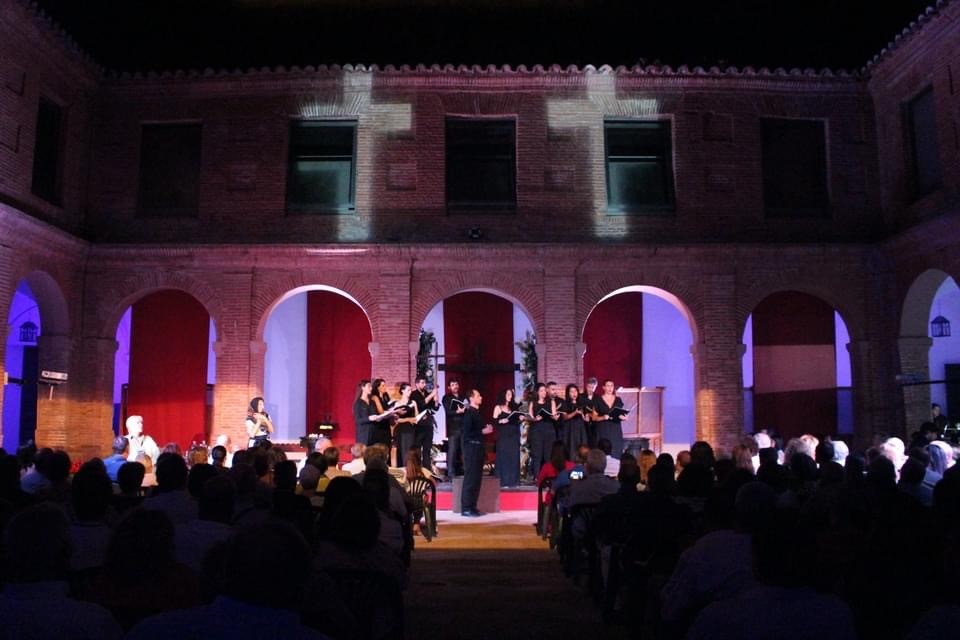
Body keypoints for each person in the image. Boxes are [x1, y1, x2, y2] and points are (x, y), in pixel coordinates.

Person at [461, 389, 494, 517]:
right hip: (471, 448)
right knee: (470, 478)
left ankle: (472, 506)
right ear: (471, 398)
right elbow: (467, 434)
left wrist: (485, 430)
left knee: (476, 479)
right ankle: (466, 507)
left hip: (478, 448)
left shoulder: (477, 413)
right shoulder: (469, 413)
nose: (481, 397)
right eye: (478, 395)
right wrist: (483, 431)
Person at [493, 388, 522, 487]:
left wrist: (520, 418)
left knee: (513, 458)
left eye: (511, 395)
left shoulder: (513, 408)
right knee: (504, 458)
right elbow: (495, 422)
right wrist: (501, 421)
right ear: (503, 395)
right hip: (504, 436)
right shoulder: (498, 407)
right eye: (508, 394)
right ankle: (504, 481)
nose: (510, 396)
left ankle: (514, 481)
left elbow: (516, 420)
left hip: (513, 435)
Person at [410, 376, 439, 474]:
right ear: (417, 384)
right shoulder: (413, 394)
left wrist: (436, 400)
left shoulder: (427, 393)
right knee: (417, 450)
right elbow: (421, 404)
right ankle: (416, 471)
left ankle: (427, 472)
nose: (424, 385)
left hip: (428, 425)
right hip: (419, 426)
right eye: (422, 382)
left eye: (425, 383)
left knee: (427, 450)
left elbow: (435, 409)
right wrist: (431, 395)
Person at [528, 382, 558, 479]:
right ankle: (537, 477)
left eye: (545, 390)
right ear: (537, 392)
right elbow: (529, 416)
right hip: (536, 430)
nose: (544, 392)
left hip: (549, 430)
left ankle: (548, 477)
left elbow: (554, 415)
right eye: (541, 391)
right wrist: (534, 419)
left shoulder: (551, 402)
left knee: (548, 456)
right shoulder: (533, 402)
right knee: (537, 455)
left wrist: (555, 417)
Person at [593, 379, 626, 459]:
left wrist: (623, 417)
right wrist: (603, 417)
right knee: (603, 452)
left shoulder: (618, 400)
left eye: (612, 386)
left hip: (615, 429)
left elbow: (621, 414)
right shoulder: (597, 400)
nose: (610, 388)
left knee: (616, 451)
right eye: (608, 386)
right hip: (603, 429)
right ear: (603, 387)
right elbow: (594, 418)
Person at [442, 380, 466, 480]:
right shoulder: (446, 398)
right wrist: (458, 411)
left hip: (463, 427)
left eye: (456, 384)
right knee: (452, 451)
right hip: (453, 428)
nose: (455, 386)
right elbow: (448, 411)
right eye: (452, 385)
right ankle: (451, 474)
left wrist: (465, 409)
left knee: (464, 451)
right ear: (449, 387)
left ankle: (465, 471)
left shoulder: (462, 397)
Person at [353, 380, 388, 447]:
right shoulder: (358, 403)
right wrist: (368, 418)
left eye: (371, 387)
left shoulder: (372, 402)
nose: (371, 388)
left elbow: (376, 414)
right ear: (363, 387)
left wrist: (380, 417)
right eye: (369, 386)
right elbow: (358, 420)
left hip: (374, 433)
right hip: (364, 434)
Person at [560, 383, 589, 458]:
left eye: (575, 391)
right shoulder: (565, 403)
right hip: (570, 429)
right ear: (568, 393)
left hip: (580, 428)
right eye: (571, 392)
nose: (574, 393)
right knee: (571, 449)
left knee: (582, 448)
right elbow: (565, 417)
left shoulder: (582, 403)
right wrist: (575, 412)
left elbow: (586, 416)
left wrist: (586, 418)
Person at [582, 377, 600, 447]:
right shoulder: (581, 397)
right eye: (589, 387)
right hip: (583, 424)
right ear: (586, 386)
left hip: (595, 424)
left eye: (593, 387)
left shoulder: (598, 398)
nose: (591, 389)